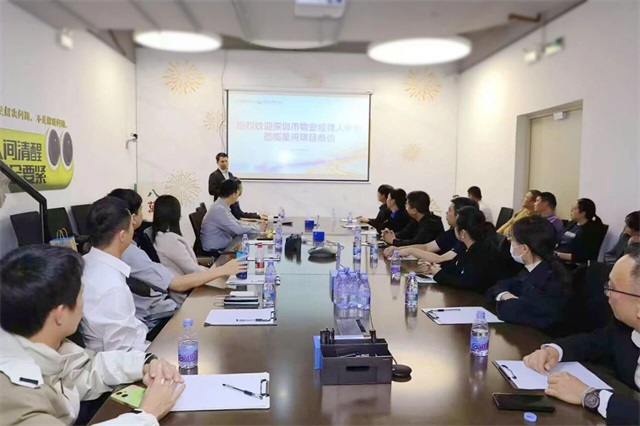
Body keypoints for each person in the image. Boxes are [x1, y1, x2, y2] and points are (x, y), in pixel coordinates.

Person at [0, 245, 185, 425]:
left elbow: (87, 370)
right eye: (81, 294)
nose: (84, 303)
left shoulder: (41, 342)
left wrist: (144, 365)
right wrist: (146, 414)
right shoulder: (15, 394)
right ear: (60, 314)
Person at [523, 252, 640, 425]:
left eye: (612, 288)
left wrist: (589, 395)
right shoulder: (622, 326)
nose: (607, 293)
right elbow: (593, 342)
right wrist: (554, 351)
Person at [109, 188, 246, 323]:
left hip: (161, 303)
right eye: (141, 210)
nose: (143, 215)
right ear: (132, 218)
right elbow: (177, 283)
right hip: (166, 308)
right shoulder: (133, 251)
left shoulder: (144, 237)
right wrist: (222, 271)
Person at [81, 196, 149, 352]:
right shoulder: (114, 288)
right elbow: (122, 353)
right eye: (131, 226)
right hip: (134, 356)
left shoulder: (83, 263)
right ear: (122, 235)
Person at [486, 216, 571, 331]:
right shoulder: (531, 270)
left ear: (524, 249)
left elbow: (508, 311)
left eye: (512, 240)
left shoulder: (551, 280)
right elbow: (495, 289)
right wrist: (505, 295)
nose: (509, 242)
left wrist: (509, 301)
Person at [153, 194, 244, 284]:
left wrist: (214, 271)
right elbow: (192, 270)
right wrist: (220, 271)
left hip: (191, 280)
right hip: (188, 287)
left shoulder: (161, 237)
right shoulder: (169, 240)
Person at [423, 206, 500, 293]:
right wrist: (434, 267)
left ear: (463, 233)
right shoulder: (467, 247)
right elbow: (454, 266)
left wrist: (439, 274)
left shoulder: (480, 251)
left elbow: (466, 283)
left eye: (456, 227)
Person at [387, 197, 478, 265]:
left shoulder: (467, 237)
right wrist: (398, 249)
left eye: (449, 211)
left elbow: (441, 259)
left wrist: (409, 250)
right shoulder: (451, 233)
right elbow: (426, 247)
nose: (446, 213)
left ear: (459, 215)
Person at [201, 179, 267, 252]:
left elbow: (237, 222)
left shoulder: (221, 206)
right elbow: (237, 229)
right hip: (216, 250)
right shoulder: (219, 209)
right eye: (238, 194)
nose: (238, 197)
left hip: (223, 246)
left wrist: (255, 227)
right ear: (233, 194)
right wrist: (258, 229)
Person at [555, 198, 605, 263]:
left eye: (575, 208)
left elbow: (582, 257)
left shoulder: (591, 232)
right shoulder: (572, 223)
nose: (571, 210)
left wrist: (558, 255)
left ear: (583, 213)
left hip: (570, 264)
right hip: (558, 258)